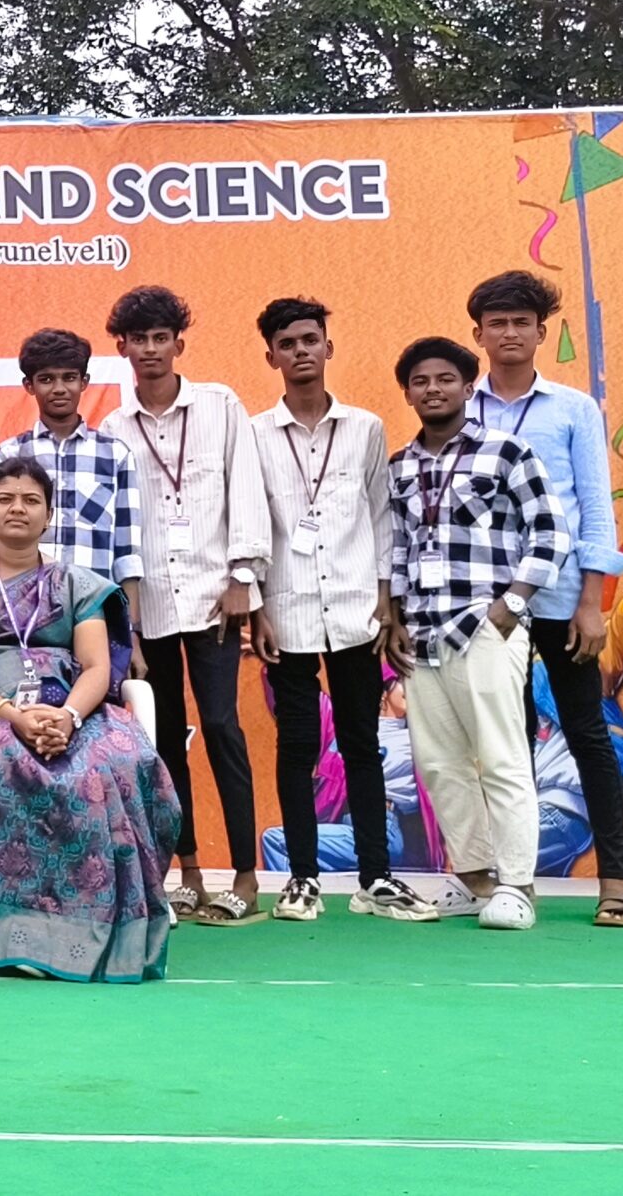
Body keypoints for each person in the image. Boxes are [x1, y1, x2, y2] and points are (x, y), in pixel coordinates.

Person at [0, 455, 180, 982]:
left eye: (31, 500)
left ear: (49, 515)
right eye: (6, 499)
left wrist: (70, 717)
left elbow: (97, 666)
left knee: (119, 761)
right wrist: (12, 716)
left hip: (70, 706)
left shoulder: (76, 583)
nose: (18, 509)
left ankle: (97, 928)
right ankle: (12, 933)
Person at [245, 298, 437, 923]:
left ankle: (375, 878)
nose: (300, 351)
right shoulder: (253, 434)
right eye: (287, 343)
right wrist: (256, 605)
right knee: (299, 745)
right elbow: (250, 524)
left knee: (361, 742)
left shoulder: (365, 428)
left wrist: (386, 597)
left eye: (310, 340)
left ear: (328, 347)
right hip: (288, 610)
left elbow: (381, 516)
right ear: (271, 356)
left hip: (357, 608)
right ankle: (301, 879)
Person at [466, 271, 623, 928]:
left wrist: (593, 603)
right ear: (478, 334)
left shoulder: (573, 409)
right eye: (498, 323)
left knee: (586, 734)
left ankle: (616, 883)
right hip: (487, 602)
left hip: (565, 597)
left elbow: (595, 510)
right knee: (501, 742)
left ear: (542, 332)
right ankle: (510, 883)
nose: (510, 333)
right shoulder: (463, 407)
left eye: (522, 322)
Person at [98, 285, 272, 925]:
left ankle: (247, 876)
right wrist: (126, 620)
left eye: (160, 338)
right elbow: (118, 529)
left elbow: (246, 490)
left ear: (179, 342)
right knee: (165, 739)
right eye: (138, 340)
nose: (150, 349)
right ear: (122, 348)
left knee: (223, 727)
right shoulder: (113, 430)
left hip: (214, 600)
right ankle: (188, 872)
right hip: (150, 610)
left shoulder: (220, 405)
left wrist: (243, 575)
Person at [384, 337, 567, 930]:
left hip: (485, 628)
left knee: (503, 758)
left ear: (468, 387)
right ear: (407, 393)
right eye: (420, 381)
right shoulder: (400, 466)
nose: (432, 389)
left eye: (445, 379)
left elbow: (550, 533)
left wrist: (510, 605)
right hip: (421, 635)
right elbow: (397, 550)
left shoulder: (506, 451)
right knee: (440, 765)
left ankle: (518, 885)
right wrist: (395, 619)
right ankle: (475, 878)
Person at [0, 329, 142, 592]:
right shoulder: (9, 455)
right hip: (26, 604)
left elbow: (127, 554)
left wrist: (131, 617)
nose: (59, 389)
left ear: (84, 382)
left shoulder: (115, 455)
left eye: (69, 378)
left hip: (94, 604)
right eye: (46, 379)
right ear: (29, 385)